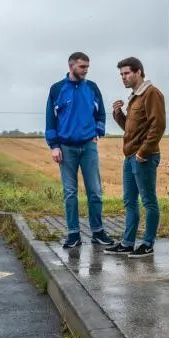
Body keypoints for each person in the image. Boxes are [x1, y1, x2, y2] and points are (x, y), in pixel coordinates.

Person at [45, 52, 115, 248]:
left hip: (88, 147)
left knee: (95, 192)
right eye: (82, 67)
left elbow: (101, 114)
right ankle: (73, 234)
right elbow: (50, 120)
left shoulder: (92, 87)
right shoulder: (57, 89)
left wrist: (98, 132)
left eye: (87, 67)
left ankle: (98, 232)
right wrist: (54, 146)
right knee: (70, 193)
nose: (86, 70)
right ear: (71, 66)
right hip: (66, 148)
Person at [104, 57, 167, 258]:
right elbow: (131, 130)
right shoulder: (135, 97)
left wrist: (143, 152)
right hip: (130, 156)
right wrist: (118, 114)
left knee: (148, 201)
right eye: (121, 74)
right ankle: (127, 243)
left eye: (127, 73)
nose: (123, 77)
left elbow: (158, 125)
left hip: (144, 157)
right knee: (129, 201)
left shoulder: (151, 93)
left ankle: (147, 244)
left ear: (138, 71)